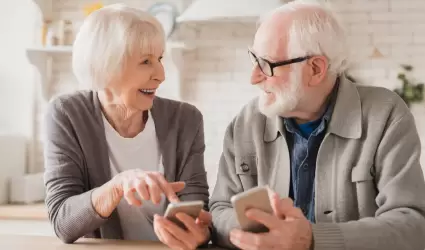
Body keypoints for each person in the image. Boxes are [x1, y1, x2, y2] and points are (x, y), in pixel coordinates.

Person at [209, 1, 425, 250]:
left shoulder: (385, 114)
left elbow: (413, 226)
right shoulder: (246, 122)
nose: (253, 77)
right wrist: (257, 234)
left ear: (315, 69)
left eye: (267, 64)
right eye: (254, 59)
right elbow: (218, 210)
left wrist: (311, 239)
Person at [43, 4, 211, 250]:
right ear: (105, 65)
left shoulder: (185, 119)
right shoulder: (67, 114)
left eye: (160, 59)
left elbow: (198, 209)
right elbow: (63, 222)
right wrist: (118, 186)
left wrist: (200, 231)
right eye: (146, 61)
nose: (161, 74)